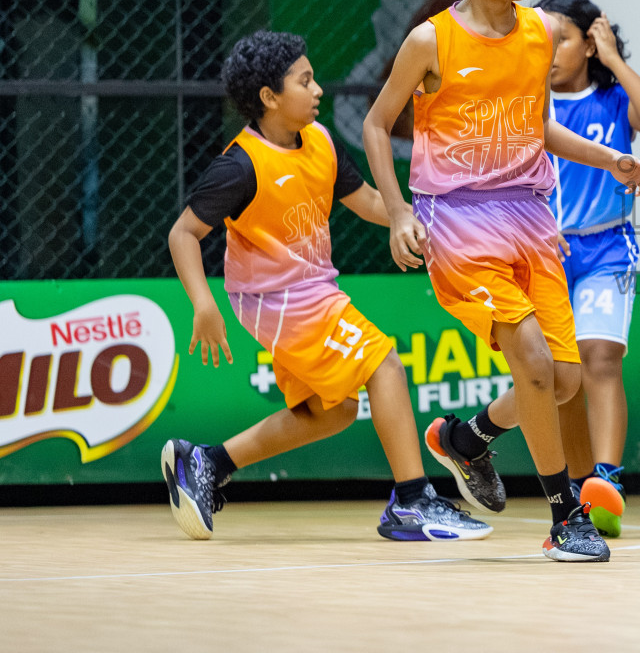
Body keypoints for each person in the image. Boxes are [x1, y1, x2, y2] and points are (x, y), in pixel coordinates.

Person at [362, 0, 640, 563]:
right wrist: (399, 211)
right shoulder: (429, 40)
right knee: (529, 357)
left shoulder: (540, 33)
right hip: (457, 221)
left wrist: (609, 157)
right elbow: (378, 124)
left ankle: (467, 440)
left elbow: (536, 126)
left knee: (565, 380)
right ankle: (565, 516)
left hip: (529, 217)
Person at [163, 31, 489, 542]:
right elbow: (184, 233)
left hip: (313, 289)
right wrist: (204, 305)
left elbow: (371, 205)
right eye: (305, 80)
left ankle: (207, 462)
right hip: (276, 299)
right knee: (384, 363)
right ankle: (412, 501)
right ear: (270, 98)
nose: (318, 90)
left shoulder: (321, 142)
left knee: (333, 411)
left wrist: (417, 218)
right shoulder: (240, 164)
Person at [535, 0, 640, 538]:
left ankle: (608, 481)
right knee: (560, 379)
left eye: (563, 39)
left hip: (605, 248)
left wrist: (615, 60)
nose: (550, 50)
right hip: (543, 253)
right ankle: (578, 494)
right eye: (543, 39)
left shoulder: (613, 98)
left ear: (590, 42)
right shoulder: (528, 102)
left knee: (599, 358)